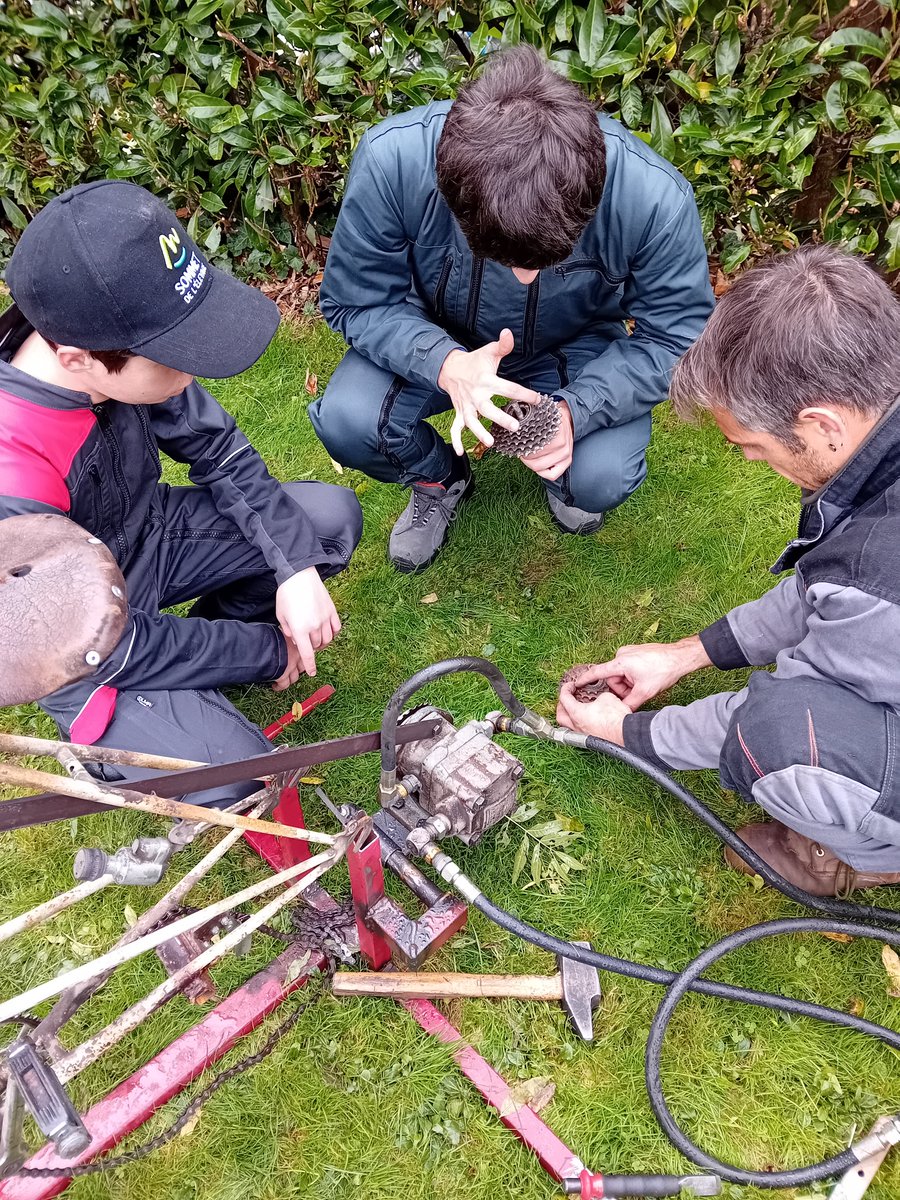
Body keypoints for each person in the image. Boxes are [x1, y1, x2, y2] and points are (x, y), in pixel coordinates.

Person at [0, 180, 362, 805]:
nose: (189, 372)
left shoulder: (114, 343)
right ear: (78, 359)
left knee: (325, 522)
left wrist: (295, 569)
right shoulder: (14, 478)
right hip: (79, 639)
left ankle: (199, 663)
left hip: (149, 535)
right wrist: (264, 651)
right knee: (240, 774)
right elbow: (104, 650)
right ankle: (110, 750)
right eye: (171, 358)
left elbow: (217, 449)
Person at [556, 244, 900, 897]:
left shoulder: (880, 572)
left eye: (754, 447)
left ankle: (872, 854)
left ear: (823, 424)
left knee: (779, 734)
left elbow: (766, 719)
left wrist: (628, 731)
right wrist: (686, 655)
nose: (746, 463)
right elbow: (821, 593)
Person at [310, 45, 713, 573]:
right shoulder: (393, 163)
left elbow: (676, 337)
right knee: (347, 420)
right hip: (436, 333)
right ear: (454, 195)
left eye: (551, 259)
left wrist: (577, 409)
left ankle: (567, 473)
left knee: (601, 478)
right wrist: (444, 362)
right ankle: (440, 478)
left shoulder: (656, 201)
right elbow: (356, 301)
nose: (525, 278)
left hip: (573, 345)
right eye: (504, 259)